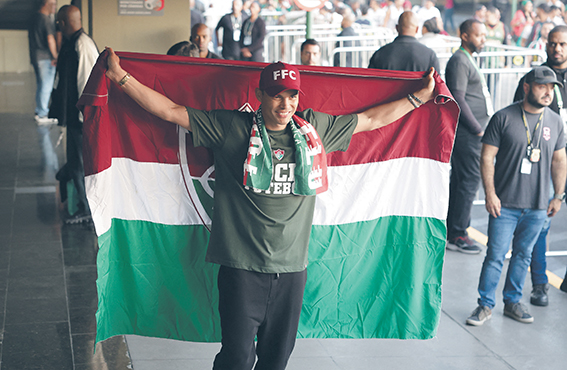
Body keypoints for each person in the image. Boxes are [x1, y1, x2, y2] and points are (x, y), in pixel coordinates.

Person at [103, 46, 435, 370]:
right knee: (237, 358)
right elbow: (171, 111)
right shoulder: (233, 128)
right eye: (277, 95)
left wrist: (419, 97)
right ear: (260, 95)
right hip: (241, 269)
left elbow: (371, 119)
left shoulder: (313, 130)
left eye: (292, 96)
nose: (285, 104)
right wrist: (121, 77)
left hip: (291, 270)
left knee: (277, 359)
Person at [466, 65, 566, 326]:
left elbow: (559, 160)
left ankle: (512, 302)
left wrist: (558, 195)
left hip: (537, 205)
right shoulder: (504, 117)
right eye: (542, 86)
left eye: (552, 88)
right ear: (526, 87)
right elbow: (487, 157)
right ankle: (485, 305)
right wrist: (490, 194)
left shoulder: (555, 122)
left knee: (523, 255)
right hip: (505, 204)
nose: (548, 93)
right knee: (495, 256)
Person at [514, 25, 567, 307]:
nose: (557, 48)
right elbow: (516, 115)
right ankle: (539, 285)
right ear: (546, 46)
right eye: (553, 44)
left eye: (562, 44)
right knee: (541, 225)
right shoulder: (534, 78)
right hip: (544, 162)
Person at [445, 19, 492, 254]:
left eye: (484, 35)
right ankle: (458, 233)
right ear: (464, 35)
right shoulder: (459, 60)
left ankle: (454, 228)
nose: (483, 39)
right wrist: (478, 129)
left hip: (472, 132)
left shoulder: (467, 58)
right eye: (478, 35)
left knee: (463, 181)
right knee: (469, 181)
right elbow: (458, 99)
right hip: (468, 134)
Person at [50, 4, 99, 224]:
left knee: (79, 163)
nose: (58, 25)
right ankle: (67, 177)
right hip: (74, 117)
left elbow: (87, 84)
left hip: (81, 119)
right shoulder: (72, 43)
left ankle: (85, 207)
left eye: (59, 22)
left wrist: (84, 118)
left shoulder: (83, 45)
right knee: (74, 160)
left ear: (64, 22)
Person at [368, 11, 440, 72]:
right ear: (417, 29)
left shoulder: (380, 54)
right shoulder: (429, 55)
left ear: (397, 28)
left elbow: (370, 83)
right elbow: (437, 85)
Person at [28, 0, 58, 125]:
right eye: (53, 4)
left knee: (41, 85)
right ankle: (42, 114)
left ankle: (39, 111)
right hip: (46, 58)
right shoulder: (45, 19)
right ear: (46, 3)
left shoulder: (34, 17)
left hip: (36, 57)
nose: (55, 7)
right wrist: (56, 57)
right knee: (46, 86)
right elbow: (50, 39)